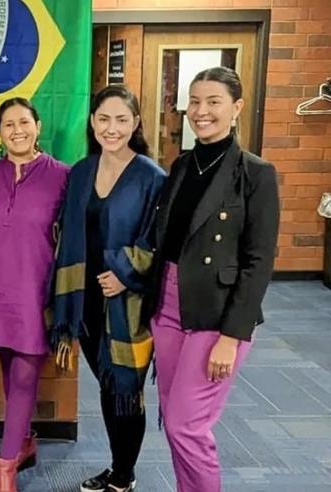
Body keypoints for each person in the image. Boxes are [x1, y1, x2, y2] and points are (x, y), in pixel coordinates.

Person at [143, 66, 280, 492]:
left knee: (187, 424)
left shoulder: (256, 174)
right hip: (167, 309)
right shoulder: (182, 164)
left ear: (237, 108)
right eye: (195, 101)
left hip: (215, 314)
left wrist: (231, 335)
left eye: (213, 101)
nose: (201, 111)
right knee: (173, 415)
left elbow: (259, 262)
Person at [51, 85, 166, 492]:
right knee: (105, 381)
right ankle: (117, 465)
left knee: (126, 387)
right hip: (85, 298)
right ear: (92, 122)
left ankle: (124, 474)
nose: (111, 128)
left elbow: (160, 240)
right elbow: (65, 230)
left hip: (128, 301)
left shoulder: (152, 176)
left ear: (135, 123)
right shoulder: (82, 170)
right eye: (103, 119)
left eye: (121, 119)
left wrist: (125, 273)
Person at [0, 97, 69, 492]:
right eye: (8, 125)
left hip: (36, 290)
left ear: (39, 126)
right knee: (9, 366)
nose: (17, 130)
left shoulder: (63, 175)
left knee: (26, 374)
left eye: (24, 122)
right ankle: (25, 440)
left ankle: (5, 464)